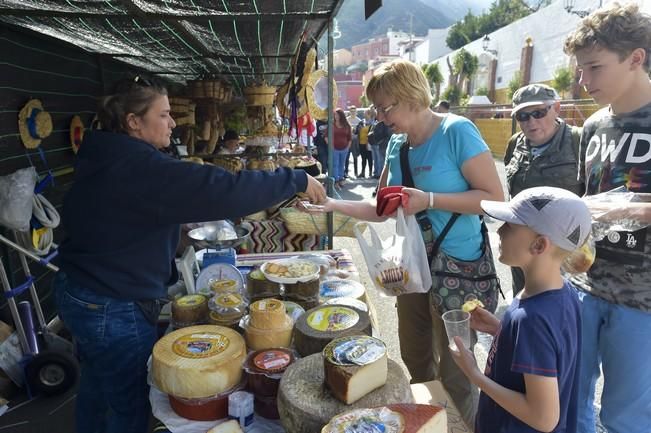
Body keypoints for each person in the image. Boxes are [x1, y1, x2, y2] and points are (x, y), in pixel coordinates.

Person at [53, 76, 326, 433]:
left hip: (79, 291)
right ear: (134, 122)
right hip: (113, 303)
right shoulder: (141, 167)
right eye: (164, 115)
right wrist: (295, 180)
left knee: (96, 389)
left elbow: (117, 216)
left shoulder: (104, 156)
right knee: (127, 402)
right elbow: (222, 190)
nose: (173, 122)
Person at [305, 59, 504, 425]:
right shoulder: (397, 144)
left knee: (458, 372)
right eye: (376, 108)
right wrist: (330, 203)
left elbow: (494, 198)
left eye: (385, 106)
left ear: (411, 95)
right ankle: (430, 424)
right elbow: (381, 207)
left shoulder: (457, 131)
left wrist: (429, 200)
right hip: (410, 270)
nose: (380, 116)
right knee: (416, 360)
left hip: (457, 270)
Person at [563, 4, 651, 433]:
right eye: (581, 69)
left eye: (594, 67)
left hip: (643, 303)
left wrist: (634, 209)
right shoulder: (594, 126)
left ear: (635, 59)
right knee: (570, 398)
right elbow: (587, 198)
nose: (584, 81)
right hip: (583, 286)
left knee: (626, 418)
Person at [452, 186, 591, 433]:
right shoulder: (564, 293)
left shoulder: (532, 318)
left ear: (539, 245)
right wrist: (501, 331)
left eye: (511, 225)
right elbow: (548, 351)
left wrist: (474, 375)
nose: (500, 229)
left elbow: (544, 418)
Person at [504, 83, 585, 295]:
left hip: (562, 256)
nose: (531, 122)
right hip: (523, 253)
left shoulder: (578, 141)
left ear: (556, 108)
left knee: (560, 316)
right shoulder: (515, 145)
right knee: (523, 311)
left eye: (539, 113)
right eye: (522, 116)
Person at [325, 108, 352, 189]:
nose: (335, 116)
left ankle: (341, 179)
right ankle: (336, 181)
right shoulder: (331, 125)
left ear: (341, 115)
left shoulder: (347, 125)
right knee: (335, 165)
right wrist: (330, 145)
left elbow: (350, 138)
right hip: (334, 148)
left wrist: (348, 147)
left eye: (337, 114)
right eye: (335, 114)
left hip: (344, 148)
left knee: (342, 164)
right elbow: (326, 136)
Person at [356, 110, 374, 178]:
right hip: (361, 143)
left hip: (368, 144)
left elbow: (372, 134)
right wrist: (358, 129)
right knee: (363, 159)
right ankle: (362, 172)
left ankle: (370, 173)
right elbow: (356, 132)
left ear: (369, 115)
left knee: (369, 158)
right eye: (364, 114)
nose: (364, 115)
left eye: (366, 114)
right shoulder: (361, 122)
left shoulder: (372, 123)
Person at [345, 106, 361, 178]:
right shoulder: (346, 120)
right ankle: (346, 172)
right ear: (349, 112)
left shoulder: (359, 120)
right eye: (351, 111)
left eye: (354, 111)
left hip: (355, 141)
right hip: (347, 141)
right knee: (347, 157)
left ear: (356, 112)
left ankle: (356, 172)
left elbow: (360, 132)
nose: (353, 113)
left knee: (355, 157)